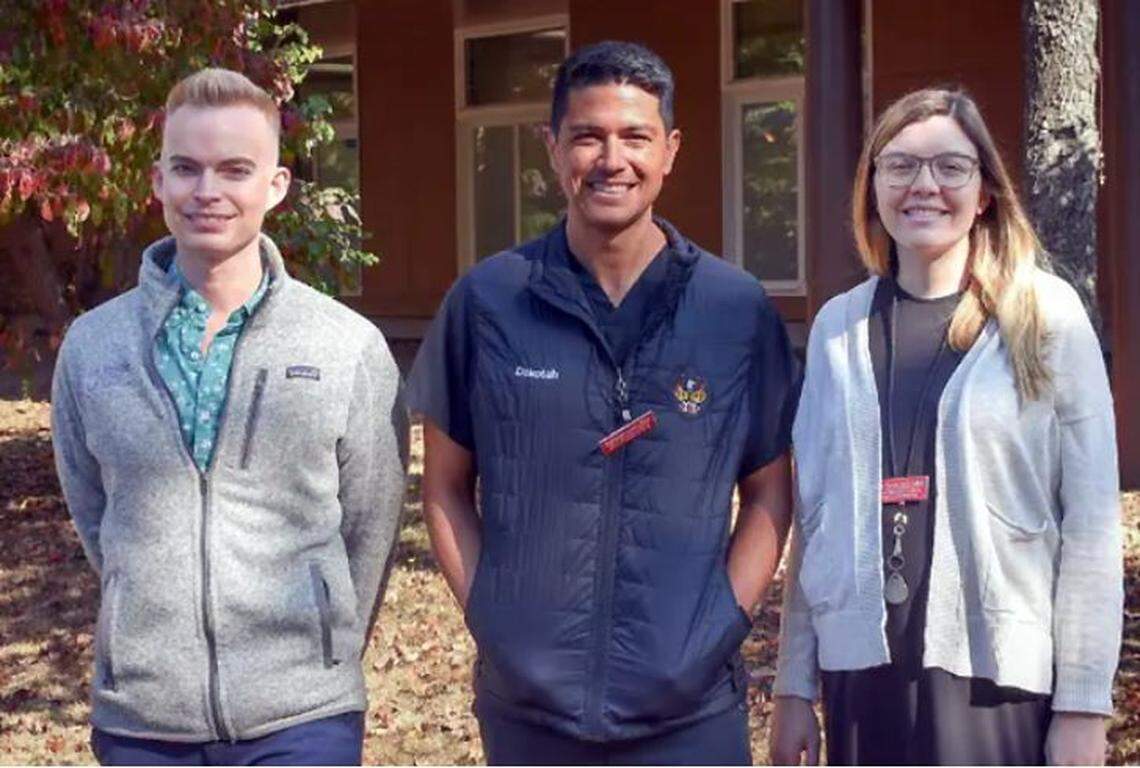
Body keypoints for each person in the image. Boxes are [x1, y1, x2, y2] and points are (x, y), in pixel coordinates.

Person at [407, 41, 799, 765]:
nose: (611, 158)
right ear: (553, 148)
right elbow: (444, 488)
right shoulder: (490, 302)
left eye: (635, 137)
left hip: (690, 715)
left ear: (671, 150)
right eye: (587, 135)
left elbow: (771, 495)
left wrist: (717, 626)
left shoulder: (733, 311)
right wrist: (492, 619)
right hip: (529, 714)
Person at [50, 68, 407, 766]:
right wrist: (141, 612)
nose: (207, 192)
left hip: (303, 718)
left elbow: (372, 526)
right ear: (157, 183)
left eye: (234, 170)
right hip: (143, 722)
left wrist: (321, 651)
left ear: (274, 186)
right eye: (186, 169)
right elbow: (96, 512)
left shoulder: (346, 346)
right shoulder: (93, 348)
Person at [769, 87, 1123, 766]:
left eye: (950, 167)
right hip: (862, 678)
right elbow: (813, 520)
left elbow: (1089, 526)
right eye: (899, 165)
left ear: (985, 190)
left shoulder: (1044, 317)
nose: (923, 185)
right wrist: (792, 687)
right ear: (872, 185)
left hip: (998, 684)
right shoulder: (838, 329)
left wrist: (1082, 705)